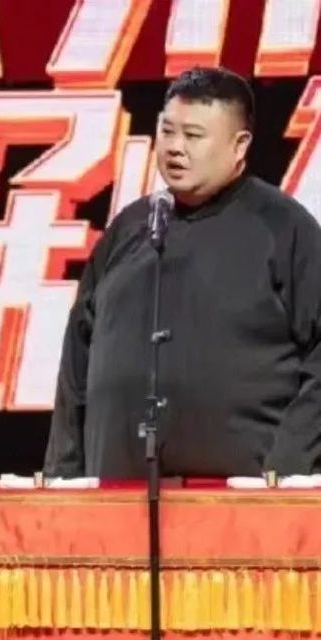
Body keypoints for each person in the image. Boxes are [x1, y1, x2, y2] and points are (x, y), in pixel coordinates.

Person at [44, 66, 321, 480]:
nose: (175, 148)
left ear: (239, 145)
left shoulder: (284, 228)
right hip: (116, 493)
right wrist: (63, 477)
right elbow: (76, 363)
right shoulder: (130, 228)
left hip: (243, 497)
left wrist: (287, 467)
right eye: (167, 131)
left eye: (193, 136)